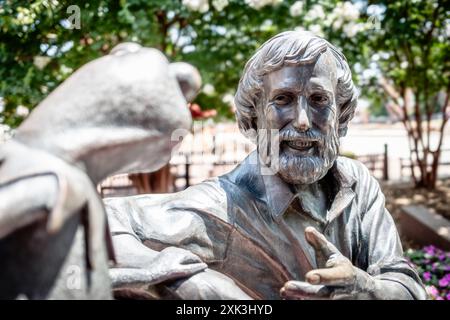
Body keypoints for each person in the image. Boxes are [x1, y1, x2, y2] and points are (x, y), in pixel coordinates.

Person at [105, 31, 427, 300]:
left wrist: (363, 288)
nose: (302, 122)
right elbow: (99, 220)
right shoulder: (221, 207)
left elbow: (408, 286)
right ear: (253, 118)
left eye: (318, 100)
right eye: (283, 99)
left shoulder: (356, 183)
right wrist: (193, 285)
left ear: (340, 118)